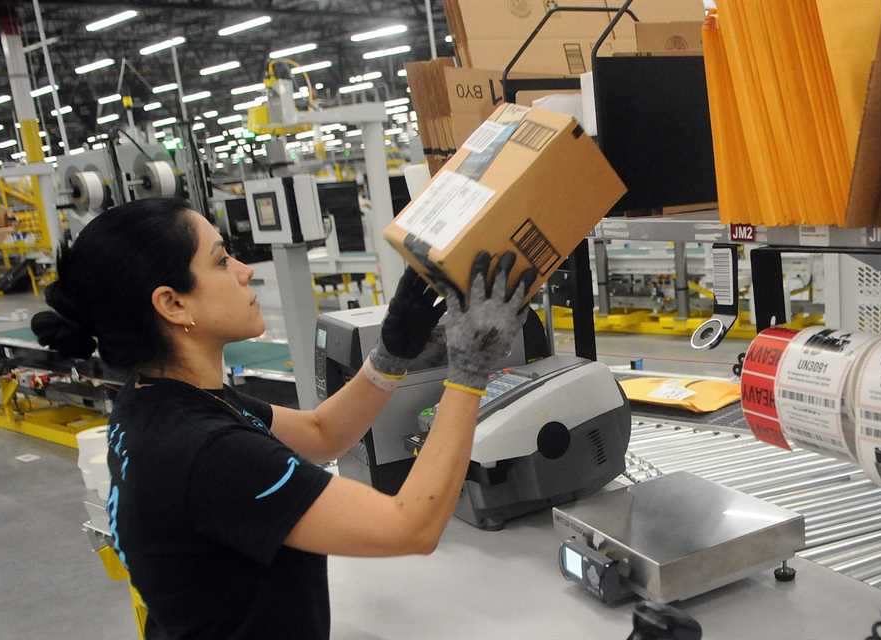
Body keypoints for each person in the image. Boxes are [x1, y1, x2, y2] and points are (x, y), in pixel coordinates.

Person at [32, 198, 535, 639]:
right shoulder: (205, 451)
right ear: (173, 303)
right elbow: (411, 527)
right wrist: (468, 374)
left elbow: (321, 435)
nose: (245, 271)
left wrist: (393, 352)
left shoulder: (158, 399)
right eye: (220, 260)